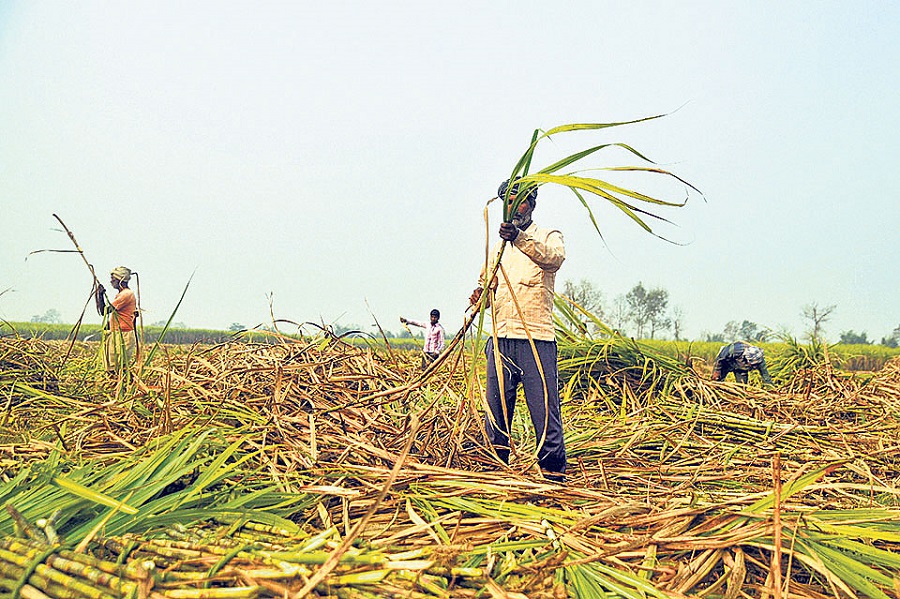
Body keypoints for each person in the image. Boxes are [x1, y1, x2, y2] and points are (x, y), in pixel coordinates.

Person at [469, 178, 567, 482]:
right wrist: (478, 299)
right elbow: (489, 288)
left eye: (520, 200)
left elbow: (554, 259)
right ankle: (495, 473)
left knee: (545, 412)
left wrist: (520, 239)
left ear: (532, 203)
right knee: (496, 414)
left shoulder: (548, 236)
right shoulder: (498, 248)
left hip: (536, 341)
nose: (513, 207)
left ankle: (553, 475)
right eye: (508, 201)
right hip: (500, 340)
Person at [95, 266, 138, 374]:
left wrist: (100, 295)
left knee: (118, 368)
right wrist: (100, 294)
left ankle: (123, 387)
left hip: (123, 335)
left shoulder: (126, 294)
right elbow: (103, 311)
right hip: (116, 334)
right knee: (112, 368)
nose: (111, 281)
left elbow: (105, 310)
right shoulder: (121, 294)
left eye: (113, 279)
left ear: (121, 280)